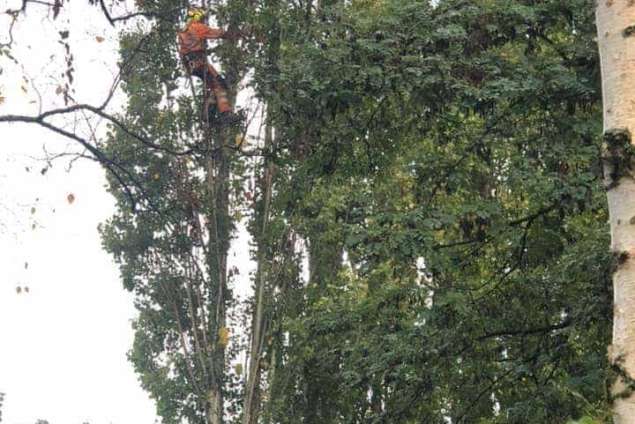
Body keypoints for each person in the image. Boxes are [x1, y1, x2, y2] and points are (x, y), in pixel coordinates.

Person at [178, 8, 239, 125]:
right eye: (202, 18)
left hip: (192, 66)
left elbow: (183, 53)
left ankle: (208, 115)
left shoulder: (183, 32)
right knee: (219, 85)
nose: (203, 21)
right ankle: (225, 114)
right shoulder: (197, 27)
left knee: (213, 85)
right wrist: (231, 34)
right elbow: (215, 33)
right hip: (200, 63)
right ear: (197, 17)